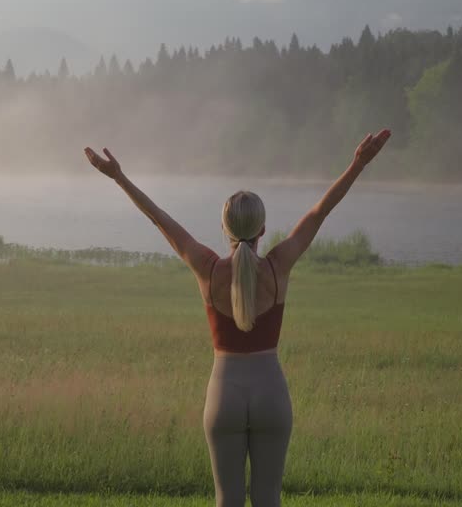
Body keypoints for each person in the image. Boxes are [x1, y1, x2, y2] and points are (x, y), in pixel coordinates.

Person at [83, 129, 392, 507]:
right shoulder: (278, 267)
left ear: (224, 229)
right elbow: (320, 212)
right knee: (268, 500)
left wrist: (119, 178)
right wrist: (357, 164)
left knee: (226, 501)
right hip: (271, 393)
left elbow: (158, 218)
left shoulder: (208, 270)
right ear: (263, 229)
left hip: (224, 394)